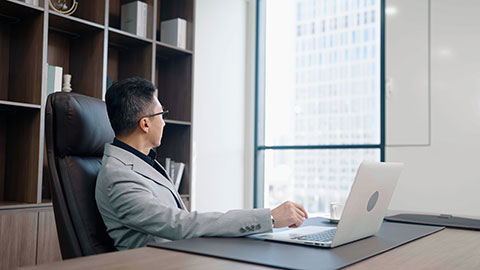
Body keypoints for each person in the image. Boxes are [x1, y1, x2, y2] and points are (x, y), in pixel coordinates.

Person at [95, 77, 308, 250]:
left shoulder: (141, 160)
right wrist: (268, 217)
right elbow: (178, 223)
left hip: (183, 254)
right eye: (161, 114)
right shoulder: (118, 176)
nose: (164, 121)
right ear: (145, 124)